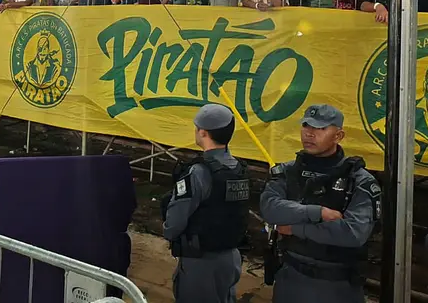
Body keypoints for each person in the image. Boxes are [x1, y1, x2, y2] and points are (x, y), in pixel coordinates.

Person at [260, 104, 381, 303]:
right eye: (306, 126)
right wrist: (318, 212)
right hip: (290, 277)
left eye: (320, 128)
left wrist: (294, 228)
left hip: (337, 286)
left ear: (338, 135)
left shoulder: (358, 180)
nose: (309, 133)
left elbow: (352, 233)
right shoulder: (288, 172)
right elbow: (270, 208)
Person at [162, 104, 249, 303]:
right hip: (231, 257)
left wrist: (169, 232)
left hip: (201, 262)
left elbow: (176, 219)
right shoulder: (238, 168)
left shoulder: (199, 172)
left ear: (203, 132)